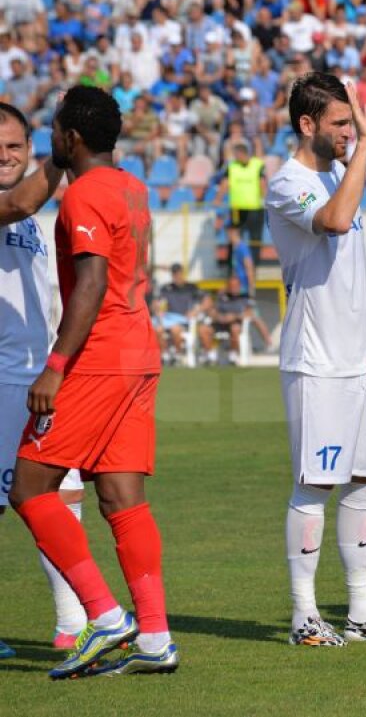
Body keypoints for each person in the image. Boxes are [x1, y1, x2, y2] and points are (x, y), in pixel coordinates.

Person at [7, 86, 178, 678]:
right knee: (122, 499)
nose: (47, 143)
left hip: (98, 359)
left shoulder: (82, 198)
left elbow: (92, 283)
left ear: (69, 138)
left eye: (53, 133)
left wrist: (56, 366)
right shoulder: (132, 187)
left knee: (29, 488)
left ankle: (105, 621)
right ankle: (155, 638)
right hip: (140, 355)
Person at [265, 73, 366, 647]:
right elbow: (332, 224)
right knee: (315, 486)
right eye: (339, 122)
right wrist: (364, 146)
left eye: (350, 122)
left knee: (365, 482)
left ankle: (361, 608)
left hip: (356, 358)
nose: (348, 132)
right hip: (316, 363)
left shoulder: (337, 172)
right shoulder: (288, 183)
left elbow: (349, 267)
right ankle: (304, 614)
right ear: (307, 125)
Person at [0, 103, 88, 659]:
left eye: (14, 146)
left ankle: (72, 622)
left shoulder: (31, 221)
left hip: (36, 380)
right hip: (2, 382)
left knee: (64, 493)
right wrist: (64, 156)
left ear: (28, 149)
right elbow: (25, 196)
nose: (4, 157)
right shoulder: (18, 205)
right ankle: (78, 621)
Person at [154, 263, 212, 366]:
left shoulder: (192, 288)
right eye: (174, 273)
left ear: (182, 273)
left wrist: (196, 311)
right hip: (168, 319)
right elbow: (157, 303)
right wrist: (158, 309)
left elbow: (208, 301)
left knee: (175, 329)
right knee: (157, 329)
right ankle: (164, 355)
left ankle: (178, 355)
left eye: (178, 273)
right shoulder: (166, 288)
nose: (177, 276)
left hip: (185, 321)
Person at [226, 140, 267, 261]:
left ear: (241, 153)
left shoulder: (258, 164)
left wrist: (265, 199)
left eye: (236, 154)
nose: (235, 157)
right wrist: (217, 199)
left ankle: (253, 266)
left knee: (254, 240)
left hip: (255, 208)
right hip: (237, 208)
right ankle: (235, 268)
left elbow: (262, 184)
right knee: (235, 239)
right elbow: (225, 183)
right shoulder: (232, 166)